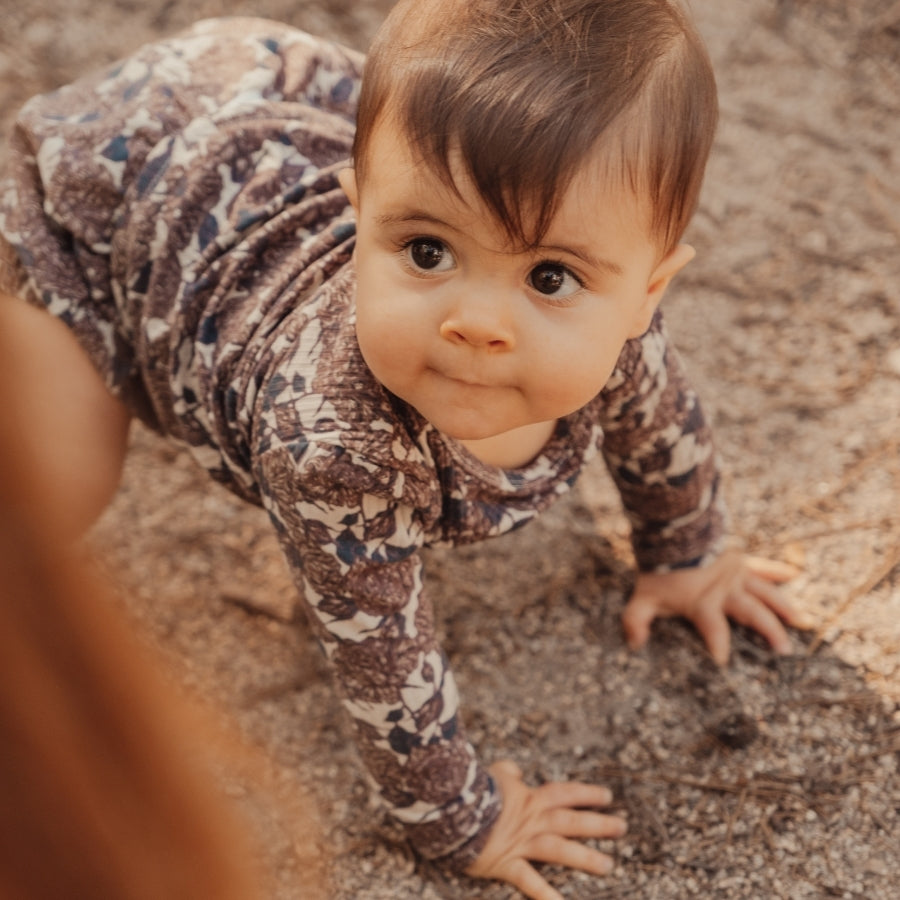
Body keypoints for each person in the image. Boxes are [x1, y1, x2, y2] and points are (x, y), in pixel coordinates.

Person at [0, 2, 804, 897]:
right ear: (359, 217)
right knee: (56, 481)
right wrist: (463, 822)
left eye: (549, 277)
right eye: (425, 250)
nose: (476, 323)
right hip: (126, 195)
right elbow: (381, 655)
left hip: (252, 104)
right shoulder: (332, 445)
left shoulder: (618, 339)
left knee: (473, 162)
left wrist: (687, 553)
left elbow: (662, 424)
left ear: (646, 294)